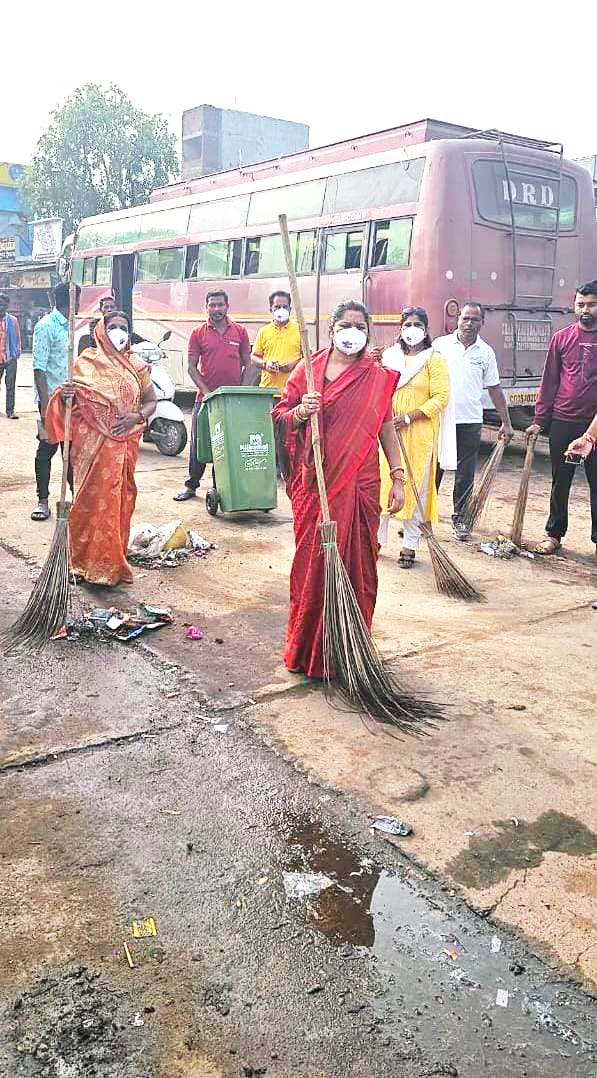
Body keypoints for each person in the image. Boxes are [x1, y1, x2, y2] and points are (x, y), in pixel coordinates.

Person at [272, 299, 405, 679]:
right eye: (345, 325)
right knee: (314, 564)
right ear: (331, 331)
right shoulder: (308, 371)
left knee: (359, 564)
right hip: (317, 483)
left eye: (360, 326)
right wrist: (301, 412)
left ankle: (350, 649)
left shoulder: (376, 376)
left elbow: (386, 426)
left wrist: (397, 475)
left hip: (361, 483)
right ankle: (308, 651)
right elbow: (280, 415)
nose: (353, 332)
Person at [45, 312, 156, 586]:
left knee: (120, 502)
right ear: (101, 331)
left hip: (124, 445)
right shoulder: (86, 363)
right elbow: (68, 406)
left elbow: (150, 401)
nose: (119, 332)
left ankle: (111, 564)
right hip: (92, 449)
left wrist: (137, 417)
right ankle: (81, 562)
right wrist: (66, 397)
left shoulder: (137, 365)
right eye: (113, 327)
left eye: (124, 327)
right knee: (88, 502)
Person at [378, 307, 454, 567]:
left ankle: (409, 545)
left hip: (419, 433)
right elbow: (378, 388)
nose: (412, 328)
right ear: (400, 328)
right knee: (384, 485)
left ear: (426, 329)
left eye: (417, 324)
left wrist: (410, 416)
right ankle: (376, 541)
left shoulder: (435, 359)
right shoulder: (389, 356)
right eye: (407, 323)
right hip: (388, 431)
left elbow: (440, 398)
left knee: (417, 488)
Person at [525, 281, 597, 555]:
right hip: (563, 421)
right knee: (560, 480)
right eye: (580, 304)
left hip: (595, 426)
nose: (585, 309)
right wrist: (539, 420)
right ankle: (554, 534)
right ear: (573, 306)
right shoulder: (562, 338)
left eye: (591, 304)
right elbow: (550, 382)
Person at [434, 303, 513, 540]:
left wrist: (506, 422)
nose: (469, 324)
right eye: (465, 318)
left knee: (465, 473)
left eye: (474, 320)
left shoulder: (485, 352)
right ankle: (421, 517)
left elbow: (495, 389)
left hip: (470, 421)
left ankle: (460, 518)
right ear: (457, 319)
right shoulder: (440, 346)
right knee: (434, 469)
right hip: (440, 418)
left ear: (482, 323)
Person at [174, 290, 250, 501]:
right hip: (204, 400)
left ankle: (221, 488)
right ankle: (191, 486)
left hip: (231, 401)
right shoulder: (198, 333)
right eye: (212, 305)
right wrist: (207, 393)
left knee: (225, 445)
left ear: (227, 306)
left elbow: (248, 363)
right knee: (199, 443)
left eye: (220, 305)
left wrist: (240, 392)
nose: (216, 309)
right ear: (206, 307)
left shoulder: (240, 332)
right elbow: (191, 367)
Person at [31, 282, 80, 521]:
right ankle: (42, 500)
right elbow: (39, 368)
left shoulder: (72, 328)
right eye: (77, 300)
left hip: (72, 402)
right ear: (70, 301)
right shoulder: (46, 326)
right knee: (46, 451)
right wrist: (43, 406)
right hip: (52, 403)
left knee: (70, 453)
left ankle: (75, 498)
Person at [251, 291, 302, 392]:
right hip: (268, 391)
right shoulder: (264, 331)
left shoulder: (300, 330)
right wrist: (266, 365)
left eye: (285, 307)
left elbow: (308, 357)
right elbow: (254, 357)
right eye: (277, 307)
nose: (281, 310)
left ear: (290, 309)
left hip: (293, 391)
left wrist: (294, 365)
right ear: (271, 310)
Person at [0, 292, 22, 419]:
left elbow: (18, 337)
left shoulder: (13, 320)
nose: (1, 308)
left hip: (10, 357)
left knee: (10, 385)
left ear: (7, 306)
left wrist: (17, 353)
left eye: (3, 305)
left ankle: (10, 411)